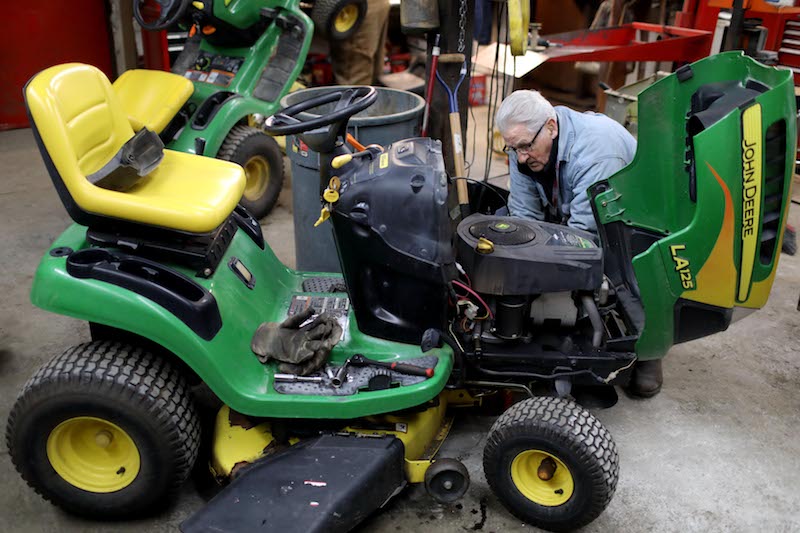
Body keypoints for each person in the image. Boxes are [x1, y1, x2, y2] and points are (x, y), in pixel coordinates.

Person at [495, 89, 663, 398]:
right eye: (512, 147)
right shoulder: (524, 143)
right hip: (571, 211)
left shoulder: (597, 151)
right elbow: (524, 215)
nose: (519, 157)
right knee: (501, 225)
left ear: (551, 127)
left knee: (624, 269)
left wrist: (548, 271)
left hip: (628, 225)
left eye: (525, 147)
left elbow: (585, 234)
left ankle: (648, 348)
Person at [329, 0, 390, 85]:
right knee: (372, 70)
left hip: (356, 7)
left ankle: (361, 97)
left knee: (354, 74)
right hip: (375, 5)